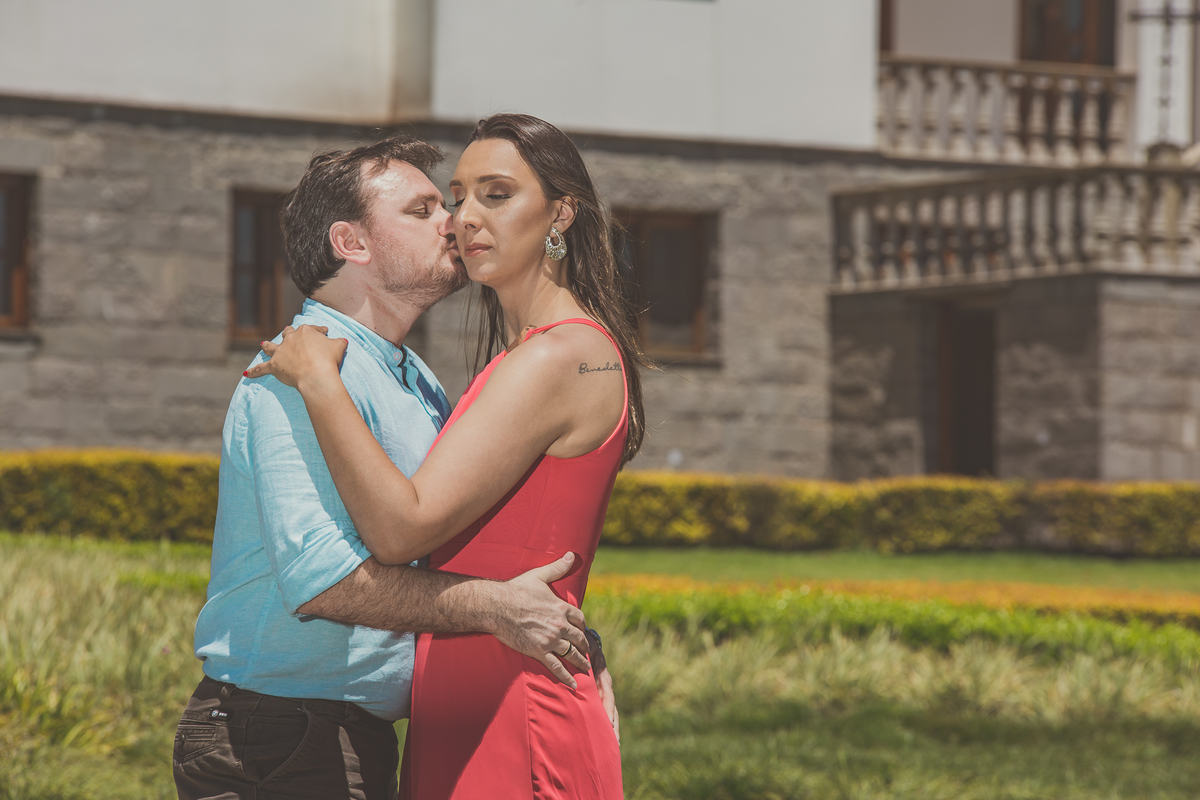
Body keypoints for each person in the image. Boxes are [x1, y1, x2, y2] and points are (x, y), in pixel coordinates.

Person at [175, 135, 613, 800]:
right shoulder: (292, 372)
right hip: (276, 735)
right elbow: (325, 584)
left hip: (347, 736)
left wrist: (567, 631)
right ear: (351, 243)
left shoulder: (417, 383)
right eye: (424, 209)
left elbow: (465, 542)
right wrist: (498, 609)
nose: (455, 222)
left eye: (461, 202)